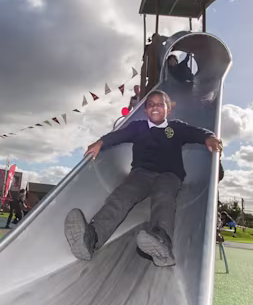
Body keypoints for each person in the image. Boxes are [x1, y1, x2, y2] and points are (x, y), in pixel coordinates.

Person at [64, 90, 222, 267]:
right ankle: (91, 239)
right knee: (122, 196)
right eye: (150, 104)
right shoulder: (138, 127)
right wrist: (101, 142)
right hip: (141, 174)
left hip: (169, 174)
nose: (155, 107)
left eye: (160, 104)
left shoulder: (175, 128)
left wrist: (210, 138)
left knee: (164, 197)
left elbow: (197, 132)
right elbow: (118, 136)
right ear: (145, 110)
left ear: (168, 110)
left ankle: (162, 242)